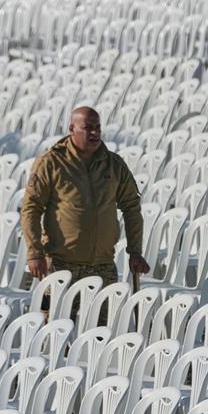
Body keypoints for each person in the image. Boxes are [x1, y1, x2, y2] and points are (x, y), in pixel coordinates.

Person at [21, 107, 151, 287]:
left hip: (102, 266)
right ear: (72, 129)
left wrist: (135, 252)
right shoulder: (51, 162)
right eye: (88, 128)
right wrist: (34, 253)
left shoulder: (113, 164)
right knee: (55, 316)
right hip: (61, 264)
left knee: (104, 316)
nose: (95, 133)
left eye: (97, 128)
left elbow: (131, 207)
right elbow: (31, 208)